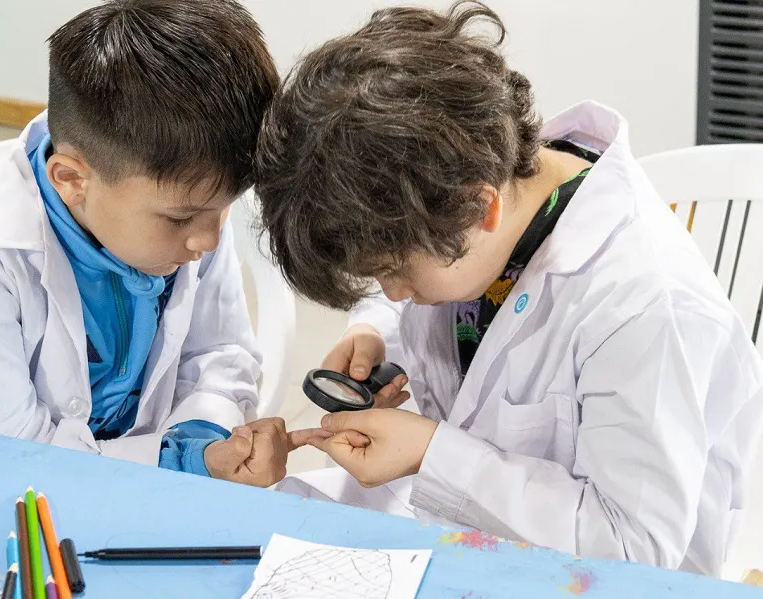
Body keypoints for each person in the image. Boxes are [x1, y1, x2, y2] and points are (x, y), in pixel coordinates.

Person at [256, 1, 763, 575]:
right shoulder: (481, 187)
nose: (394, 293)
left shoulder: (646, 308)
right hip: (475, 546)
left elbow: (632, 550)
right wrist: (374, 329)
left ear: (479, 207)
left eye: (395, 272)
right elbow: (434, 273)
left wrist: (433, 454)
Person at [0, 0, 293, 487]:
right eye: (182, 218)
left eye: (225, 206)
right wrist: (182, 464)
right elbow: (19, 452)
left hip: (115, 479)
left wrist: (203, 437)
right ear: (71, 179)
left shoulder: (187, 208)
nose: (209, 238)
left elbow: (220, 351)